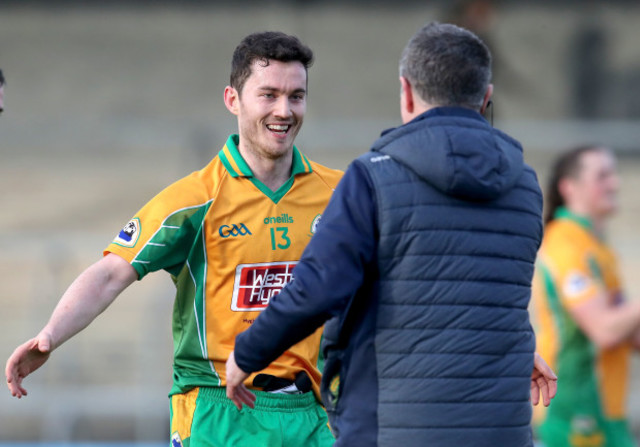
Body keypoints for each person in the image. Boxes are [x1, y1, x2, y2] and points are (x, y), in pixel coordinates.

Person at [226, 22, 556, 447]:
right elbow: (480, 291)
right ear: (487, 97)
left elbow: (318, 289)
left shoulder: (374, 178)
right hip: (503, 430)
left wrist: (248, 352)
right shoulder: (525, 186)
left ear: (405, 92)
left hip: (393, 429)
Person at [5, 32, 341, 447]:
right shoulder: (193, 199)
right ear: (233, 100)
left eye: (296, 96)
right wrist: (50, 336)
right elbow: (111, 272)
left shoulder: (340, 195)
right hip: (218, 413)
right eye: (268, 95)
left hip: (314, 415)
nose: (284, 110)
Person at [531, 145, 640, 447]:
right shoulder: (564, 244)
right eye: (602, 175)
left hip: (607, 414)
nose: (615, 183)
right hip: (573, 418)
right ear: (569, 188)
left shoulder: (598, 249)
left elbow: (633, 333)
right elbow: (605, 330)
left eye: (614, 174)